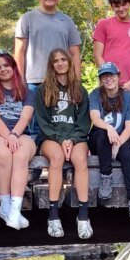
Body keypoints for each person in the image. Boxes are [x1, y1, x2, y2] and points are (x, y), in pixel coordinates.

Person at [27, 49, 91, 239]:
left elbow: (84, 121)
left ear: (69, 63)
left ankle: (83, 216)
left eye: (64, 59)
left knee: (80, 158)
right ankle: (53, 216)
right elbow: (42, 121)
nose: (60, 63)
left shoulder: (79, 90)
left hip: (76, 137)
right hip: (50, 137)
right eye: (56, 61)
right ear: (51, 65)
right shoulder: (43, 90)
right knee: (56, 157)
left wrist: (72, 139)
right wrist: (60, 139)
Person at [14, 0, 82, 141]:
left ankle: (62, 165)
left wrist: (76, 82)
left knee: (60, 125)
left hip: (62, 83)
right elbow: (19, 52)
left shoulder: (67, 21)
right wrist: (20, 81)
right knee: (35, 127)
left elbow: (74, 54)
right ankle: (33, 166)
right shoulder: (27, 19)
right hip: (34, 81)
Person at [0, 50, 37, 230]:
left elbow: (25, 118)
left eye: (6, 65)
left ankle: (15, 211)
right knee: (4, 155)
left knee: (20, 156)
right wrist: (7, 136)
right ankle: (4, 206)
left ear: (13, 67)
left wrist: (14, 135)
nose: (3, 69)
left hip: (21, 134)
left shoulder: (26, 91)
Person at [88, 62, 130, 220]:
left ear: (118, 76)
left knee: (128, 153)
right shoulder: (95, 94)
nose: (108, 79)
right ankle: (105, 176)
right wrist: (109, 128)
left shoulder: (128, 97)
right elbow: (94, 118)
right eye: (104, 76)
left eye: (111, 75)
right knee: (101, 135)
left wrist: (118, 143)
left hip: (121, 138)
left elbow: (129, 127)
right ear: (101, 80)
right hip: (99, 139)